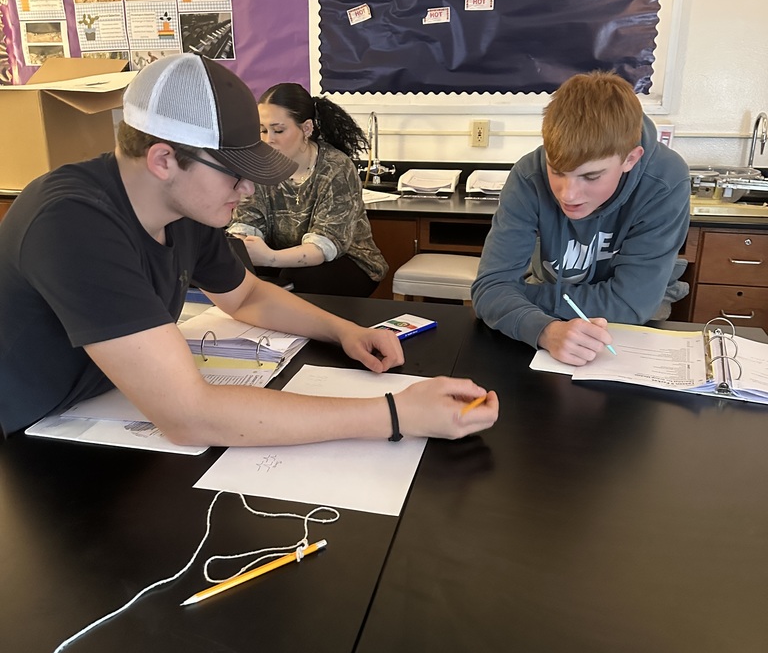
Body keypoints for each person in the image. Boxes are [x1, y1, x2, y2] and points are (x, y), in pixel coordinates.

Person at [0, 53, 498, 446]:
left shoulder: (184, 210)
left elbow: (245, 296)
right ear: (163, 160)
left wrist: (343, 331)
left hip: (95, 407)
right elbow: (190, 416)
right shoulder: (72, 221)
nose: (250, 190)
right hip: (28, 437)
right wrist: (395, 413)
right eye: (235, 173)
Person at [472, 71, 691, 366]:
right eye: (557, 171)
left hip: (633, 322)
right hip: (549, 318)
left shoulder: (665, 180)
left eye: (590, 176)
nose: (568, 195)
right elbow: (491, 288)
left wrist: (523, 296)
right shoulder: (527, 174)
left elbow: (631, 304)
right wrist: (545, 330)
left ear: (630, 159)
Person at [227, 82, 387, 296]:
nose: (268, 140)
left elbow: (325, 245)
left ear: (307, 128)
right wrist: (240, 243)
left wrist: (268, 257)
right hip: (280, 256)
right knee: (236, 272)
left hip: (347, 261)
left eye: (278, 130)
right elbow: (247, 220)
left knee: (297, 280)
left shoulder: (336, 167)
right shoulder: (260, 166)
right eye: (262, 130)